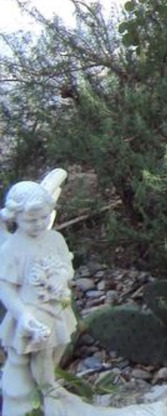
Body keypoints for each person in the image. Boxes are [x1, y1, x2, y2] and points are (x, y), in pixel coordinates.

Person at [0, 178, 76, 416]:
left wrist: (61, 277)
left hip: (58, 305)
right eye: (31, 220)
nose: (39, 223)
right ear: (15, 217)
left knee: (60, 343)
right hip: (33, 310)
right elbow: (6, 288)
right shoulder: (12, 248)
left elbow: (68, 267)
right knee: (41, 350)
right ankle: (46, 389)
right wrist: (22, 315)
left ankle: (48, 382)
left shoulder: (55, 239)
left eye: (44, 217)